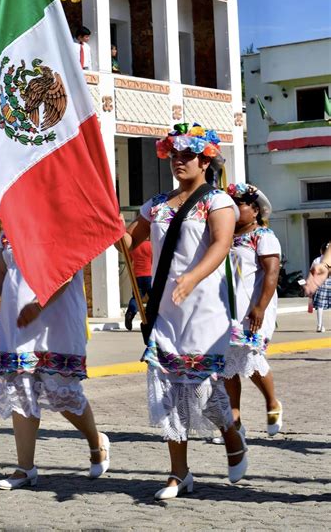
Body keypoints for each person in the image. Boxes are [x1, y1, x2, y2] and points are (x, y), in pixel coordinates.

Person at [119, 123, 247, 501]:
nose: (179, 160)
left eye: (188, 154)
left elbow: (221, 245)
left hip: (205, 309)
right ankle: (179, 473)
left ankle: (232, 437)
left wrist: (191, 277)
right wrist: (107, 221)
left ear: (205, 160)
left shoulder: (217, 201)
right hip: (165, 310)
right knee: (168, 390)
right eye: (174, 154)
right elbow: (129, 243)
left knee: (205, 388)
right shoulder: (156, 204)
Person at [0, 234, 109, 490]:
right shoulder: (10, 226)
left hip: (56, 322)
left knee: (63, 395)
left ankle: (96, 441)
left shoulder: (61, 221)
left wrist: (38, 305)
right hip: (19, 323)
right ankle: (25, 468)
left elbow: (67, 271)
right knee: (21, 391)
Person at [222, 183, 283, 438]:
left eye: (239, 205)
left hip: (254, 307)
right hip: (226, 308)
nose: (234, 210)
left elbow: (271, 273)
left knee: (250, 357)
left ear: (255, 210)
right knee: (226, 364)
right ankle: (234, 419)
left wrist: (260, 307)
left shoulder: (263, 236)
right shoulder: (223, 236)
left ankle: (272, 402)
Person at [124, 238, 152, 330]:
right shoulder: (151, 245)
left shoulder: (134, 246)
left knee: (136, 297)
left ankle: (130, 313)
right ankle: (150, 318)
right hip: (149, 275)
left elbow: (129, 259)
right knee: (153, 298)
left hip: (137, 275)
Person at [309, 242, 331, 333]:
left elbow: (312, 272)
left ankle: (319, 325)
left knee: (320, 305)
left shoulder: (317, 260)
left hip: (320, 283)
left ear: (321, 251)